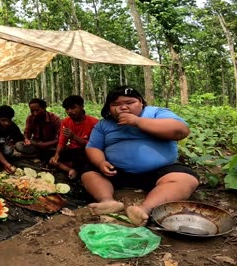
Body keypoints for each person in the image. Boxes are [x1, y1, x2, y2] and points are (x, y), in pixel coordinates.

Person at [81, 86, 199, 226]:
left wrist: (138, 122)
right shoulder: (104, 125)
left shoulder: (156, 113)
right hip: (116, 172)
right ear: (108, 108)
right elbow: (93, 147)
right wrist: (101, 162)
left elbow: (180, 130)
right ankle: (107, 201)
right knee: (89, 172)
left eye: (130, 103)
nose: (123, 108)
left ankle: (144, 209)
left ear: (141, 102)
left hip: (160, 171)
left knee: (185, 179)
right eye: (116, 104)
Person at [50, 95, 99, 179]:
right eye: (67, 109)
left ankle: (75, 171)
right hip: (73, 151)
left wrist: (74, 137)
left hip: (87, 152)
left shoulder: (94, 122)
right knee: (51, 158)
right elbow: (62, 141)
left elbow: (94, 145)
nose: (70, 111)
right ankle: (70, 170)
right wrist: (57, 154)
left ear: (82, 106)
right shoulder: (66, 122)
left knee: (83, 159)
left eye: (73, 108)